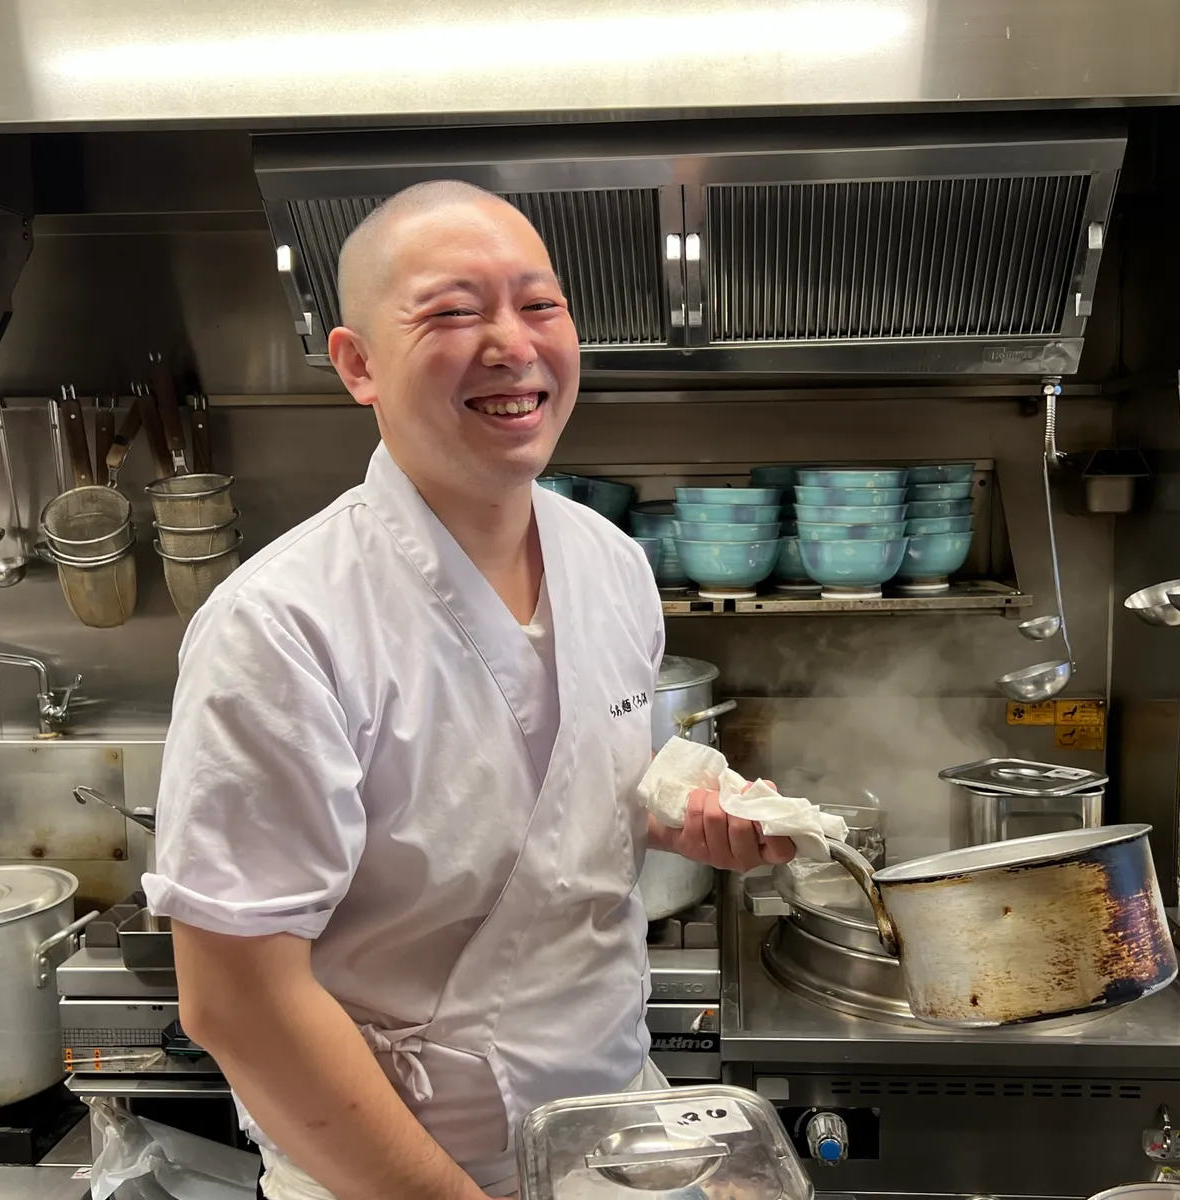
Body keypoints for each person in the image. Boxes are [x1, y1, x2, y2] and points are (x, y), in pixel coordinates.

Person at [142, 180, 795, 1200]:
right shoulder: (281, 622)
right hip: (389, 1169)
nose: (512, 343)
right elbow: (234, 1001)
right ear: (357, 363)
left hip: (610, 1137)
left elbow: (549, 792)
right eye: (452, 312)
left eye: (540, 306)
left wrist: (683, 817)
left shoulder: (611, 563)